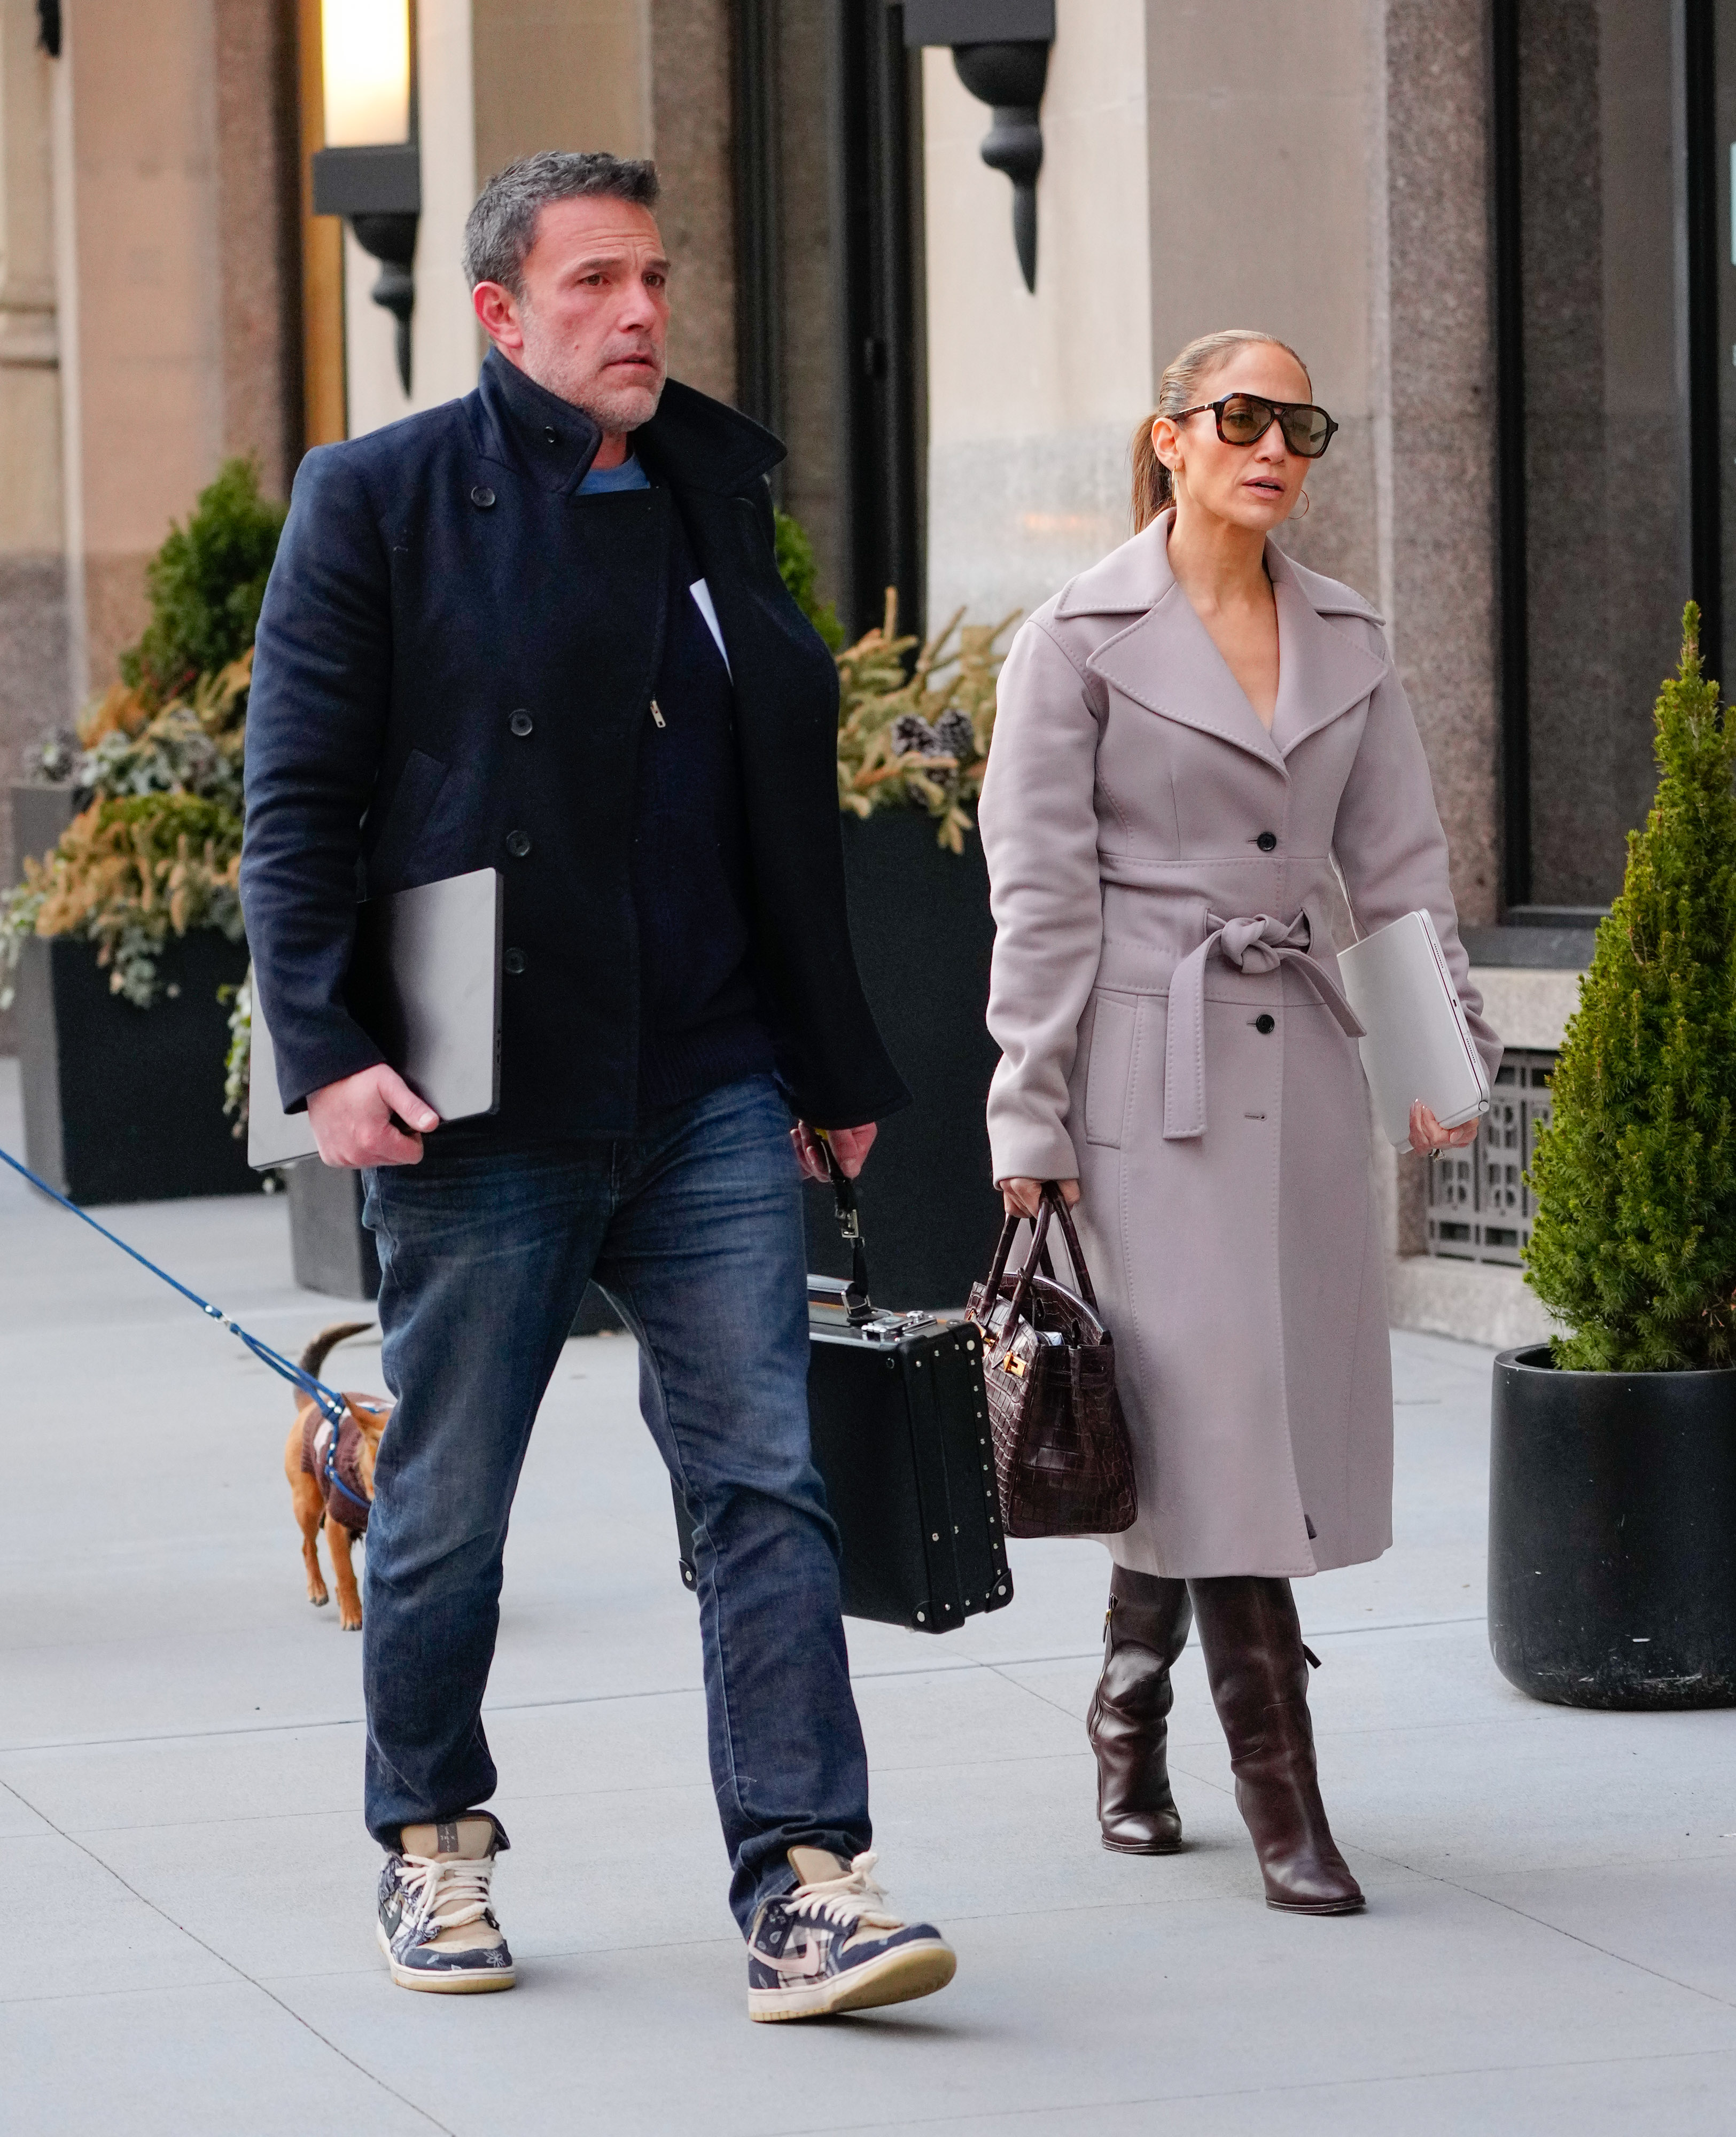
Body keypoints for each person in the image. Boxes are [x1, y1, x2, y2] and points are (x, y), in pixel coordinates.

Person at [240, 151, 956, 2019]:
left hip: (711, 1077)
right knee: (454, 1502)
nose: (640, 313)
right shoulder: (381, 499)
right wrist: (327, 1054)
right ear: (499, 314)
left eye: (654, 278)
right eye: (595, 286)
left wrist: (826, 1055)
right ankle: (432, 1846)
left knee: (761, 1490)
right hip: (487, 1090)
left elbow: (768, 813)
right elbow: (297, 804)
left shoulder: (716, 487)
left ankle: (807, 1879)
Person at [977, 329, 1499, 1915]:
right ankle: (1288, 1810)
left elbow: (1398, 869)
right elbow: (1041, 899)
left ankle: (1123, 1714)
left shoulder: (1348, 634)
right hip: (1150, 1081)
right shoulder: (1073, 640)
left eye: (1300, 423)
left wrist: (1444, 1058)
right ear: (1172, 438)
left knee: (1221, 1434)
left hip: (1305, 1083)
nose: (1274, 445)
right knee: (1218, 1431)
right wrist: (1029, 1118)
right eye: (1242, 417)